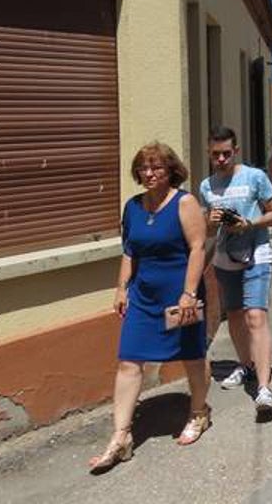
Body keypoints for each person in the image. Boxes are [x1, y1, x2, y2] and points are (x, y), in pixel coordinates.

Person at [88, 142, 210, 472]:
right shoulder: (133, 207)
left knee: (191, 355)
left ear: (171, 170)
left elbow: (198, 248)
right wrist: (121, 288)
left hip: (179, 292)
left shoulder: (185, 202)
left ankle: (199, 412)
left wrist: (188, 293)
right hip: (143, 295)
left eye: (156, 167)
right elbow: (130, 251)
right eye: (143, 167)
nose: (149, 173)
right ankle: (121, 436)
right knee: (129, 359)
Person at [197, 126, 272, 417]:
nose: (220, 159)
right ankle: (246, 365)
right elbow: (208, 227)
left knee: (255, 315)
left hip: (257, 254)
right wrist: (212, 220)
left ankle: (263, 389)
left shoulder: (254, 177)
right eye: (215, 155)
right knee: (234, 315)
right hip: (225, 258)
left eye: (225, 153)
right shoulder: (206, 186)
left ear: (235, 151)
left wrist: (249, 223)